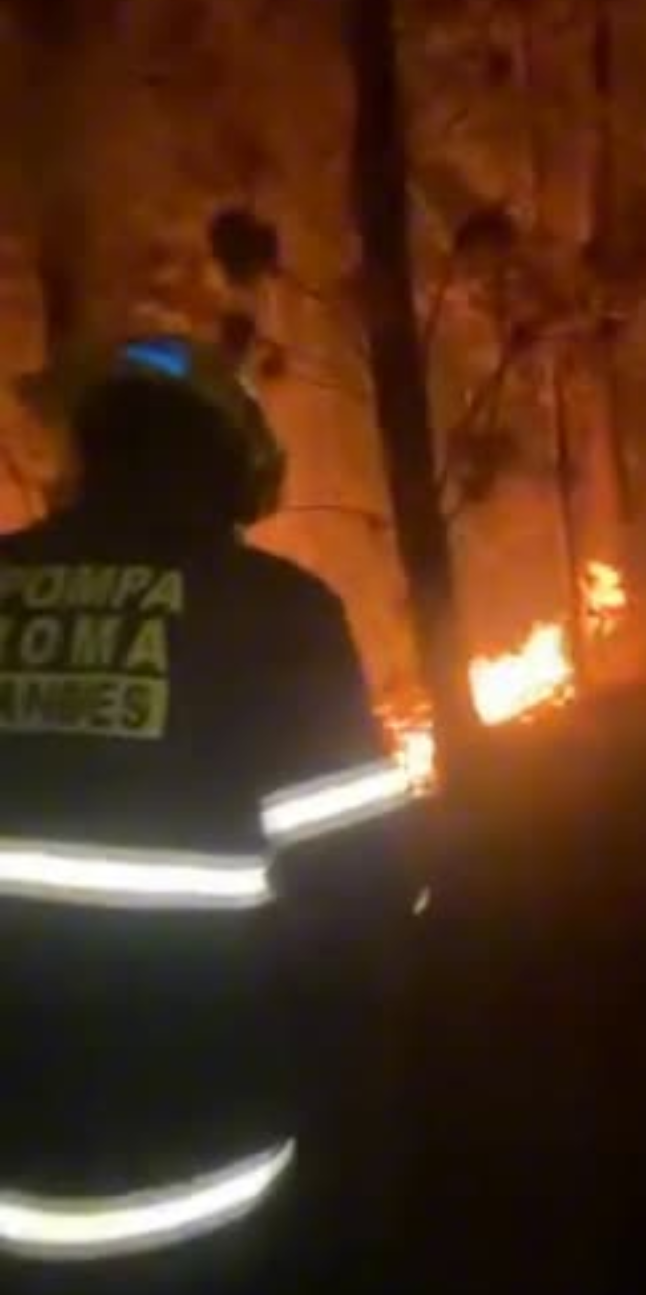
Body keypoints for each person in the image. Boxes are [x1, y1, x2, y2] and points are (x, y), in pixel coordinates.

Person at [0, 335, 413, 1292]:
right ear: (233, 473)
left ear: (88, 447)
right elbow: (360, 909)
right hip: (196, 1187)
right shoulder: (278, 614)